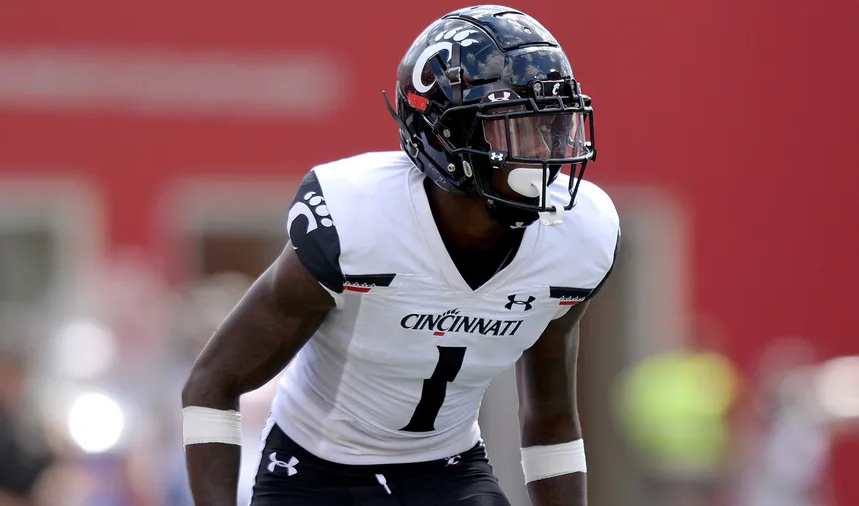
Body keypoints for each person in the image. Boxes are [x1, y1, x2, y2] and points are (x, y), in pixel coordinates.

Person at [182, 5, 620, 506]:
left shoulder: (578, 236)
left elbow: (552, 419)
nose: (545, 153)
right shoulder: (358, 219)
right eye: (517, 129)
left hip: (448, 470)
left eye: (553, 126)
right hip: (314, 471)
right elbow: (212, 381)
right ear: (448, 135)